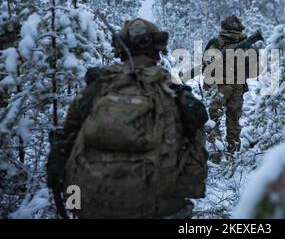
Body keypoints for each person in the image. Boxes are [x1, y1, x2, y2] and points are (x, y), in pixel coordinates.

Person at [46, 18, 208, 219]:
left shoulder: (98, 86)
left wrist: (73, 202)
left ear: (119, 51)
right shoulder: (173, 91)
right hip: (156, 208)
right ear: (158, 51)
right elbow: (198, 134)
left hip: (88, 205)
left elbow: (68, 135)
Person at [203, 15, 254, 163]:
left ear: (223, 27)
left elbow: (206, 66)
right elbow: (254, 70)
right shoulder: (247, 45)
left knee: (214, 120)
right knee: (234, 121)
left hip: (220, 87)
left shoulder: (216, 42)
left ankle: (216, 156)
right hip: (238, 87)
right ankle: (233, 156)